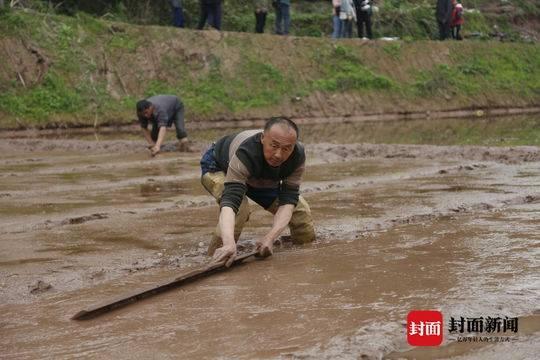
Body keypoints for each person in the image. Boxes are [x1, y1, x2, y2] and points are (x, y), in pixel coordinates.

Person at [200, 117, 316, 266]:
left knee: (300, 212)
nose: (278, 154)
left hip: (260, 175)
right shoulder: (246, 153)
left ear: (294, 146)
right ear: (262, 138)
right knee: (240, 210)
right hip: (219, 166)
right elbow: (230, 201)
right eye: (274, 146)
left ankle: (304, 257)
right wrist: (228, 243)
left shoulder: (297, 156)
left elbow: (288, 201)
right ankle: (218, 255)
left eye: (286, 148)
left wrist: (270, 237)